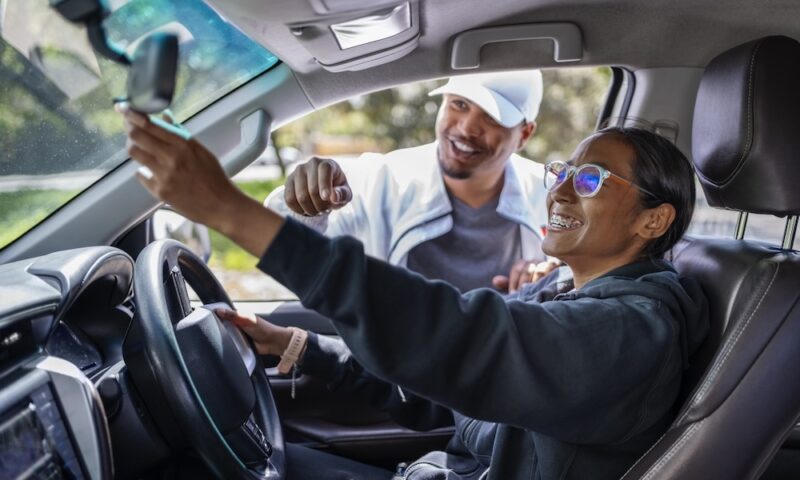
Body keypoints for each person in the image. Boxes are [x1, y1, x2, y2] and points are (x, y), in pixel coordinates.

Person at [120, 90, 709, 480]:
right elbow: (445, 384)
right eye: (562, 172)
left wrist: (229, 210)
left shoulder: (630, 331)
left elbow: (455, 337)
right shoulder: (564, 293)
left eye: (588, 179)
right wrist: (296, 346)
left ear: (653, 220)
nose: (558, 191)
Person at [266, 70, 559, 294]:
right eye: (459, 104)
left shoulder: (553, 195)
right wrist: (305, 206)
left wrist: (557, 275)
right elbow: (284, 257)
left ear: (524, 134)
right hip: (398, 371)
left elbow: (593, 279)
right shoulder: (381, 179)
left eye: (493, 117)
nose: (468, 127)